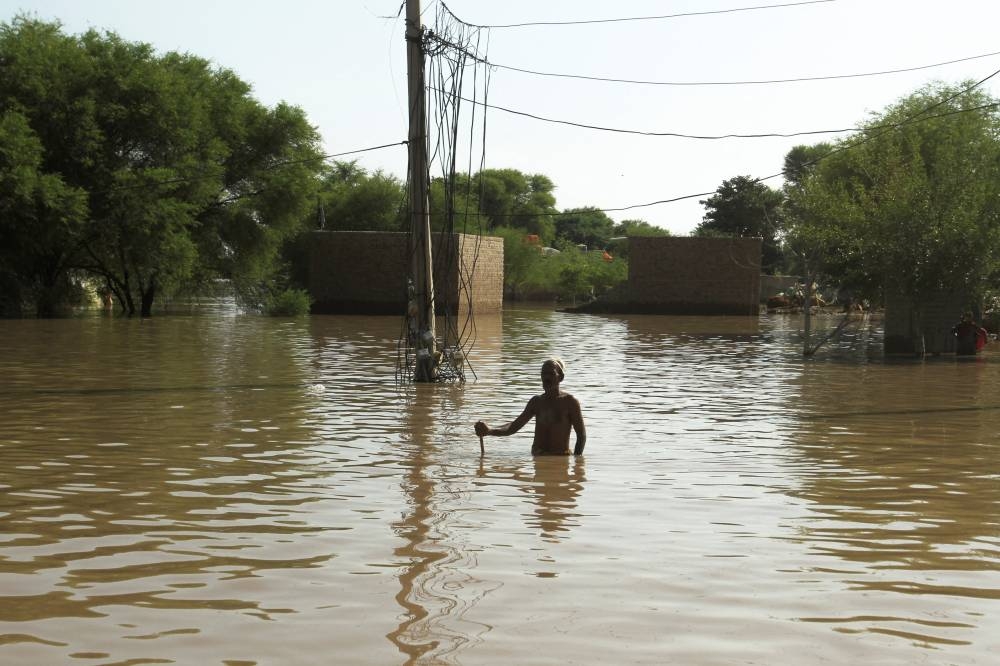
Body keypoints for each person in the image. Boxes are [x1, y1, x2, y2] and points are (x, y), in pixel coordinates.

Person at [475, 358, 586, 456]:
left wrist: (577, 464)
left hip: (560, 456)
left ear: (560, 377)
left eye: (551, 374)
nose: (546, 377)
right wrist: (489, 431)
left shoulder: (570, 402)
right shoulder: (536, 402)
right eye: (543, 374)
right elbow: (514, 426)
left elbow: (581, 436)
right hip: (538, 456)